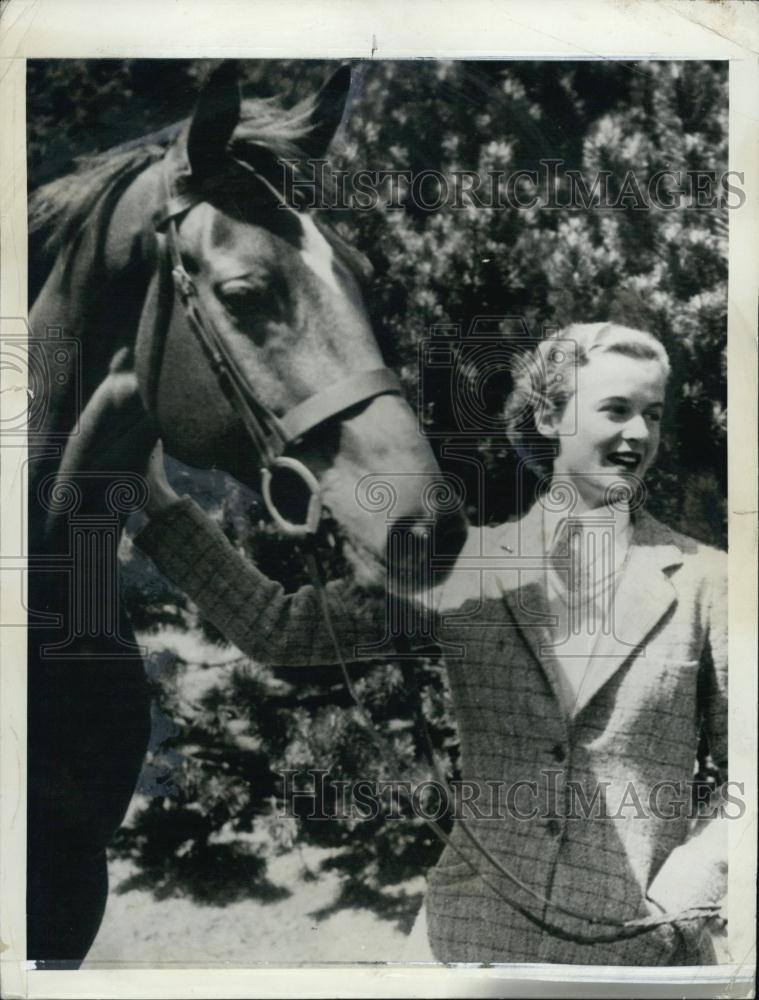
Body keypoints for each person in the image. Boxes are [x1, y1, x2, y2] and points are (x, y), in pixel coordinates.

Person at [135, 322, 728, 965]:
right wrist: (156, 499)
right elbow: (280, 630)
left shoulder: (710, 583)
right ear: (551, 417)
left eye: (652, 414)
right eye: (615, 409)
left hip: (639, 957)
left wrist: (676, 908)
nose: (638, 434)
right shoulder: (465, 569)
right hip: (466, 943)